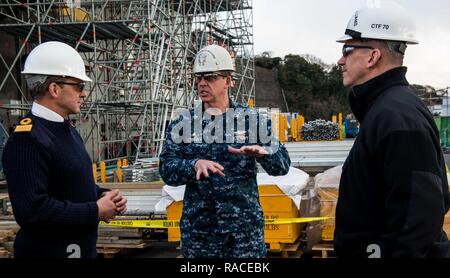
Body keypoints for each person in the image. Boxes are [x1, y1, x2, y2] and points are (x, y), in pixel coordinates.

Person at [334, 3, 450, 258]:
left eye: (347, 49)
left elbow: (419, 219)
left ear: (372, 56)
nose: (340, 60)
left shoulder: (396, 116)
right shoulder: (385, 110)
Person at [159, 44, 291, 258]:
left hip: (244, 235)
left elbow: (283, 166)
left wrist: (263, 153)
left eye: (210, 77)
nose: (202, 83)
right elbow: (166, 169)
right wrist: (193, 165)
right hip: (201, 235)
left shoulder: (252, 121)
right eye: (199, 77)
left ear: (228, 80)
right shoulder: (183, 124)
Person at [2, 41, 127, 258]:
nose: (84, 93)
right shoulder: (27, 139)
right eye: (78, 86)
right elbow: (33, 211)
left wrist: (102, 195)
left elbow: (68, 182)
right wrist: (96, 210)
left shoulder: (64, 129)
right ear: (54, 89)